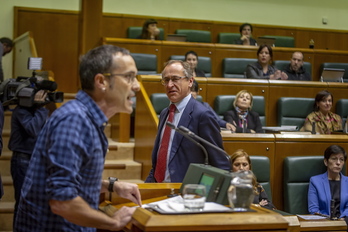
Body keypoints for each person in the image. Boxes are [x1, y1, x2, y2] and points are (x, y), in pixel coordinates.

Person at [14, 45, 142, 231]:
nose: (137, 86)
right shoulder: (74, 120)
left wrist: (110, 186)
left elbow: (70, 181)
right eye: (129, 77)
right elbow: (62, 201)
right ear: (101, 81)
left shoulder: (86, 118)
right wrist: (113, 223)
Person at [145, 60, 231, 183]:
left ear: (190, 81)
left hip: (186, 194)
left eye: (175, 79)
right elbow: (160, 160)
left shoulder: (202, 115)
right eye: (166, 80)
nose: (169, 85)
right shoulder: (165, 113)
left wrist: (204, 197)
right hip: (159, 187)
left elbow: (220, 164)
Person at [9, 89, 49, 226]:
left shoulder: (37, 111)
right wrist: (41, 108)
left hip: (36, 160)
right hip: (22, 160)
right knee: (22, 203)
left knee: (35, 203)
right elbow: (33, 129)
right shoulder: (21, 110)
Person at [308, 145, 348, 219]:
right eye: (334, 159)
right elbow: (313, 210)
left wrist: (341, 220)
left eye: (341, 159)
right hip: (324, 223)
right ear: (326, 162)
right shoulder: (315, 181)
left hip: (344, 223)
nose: (338, 163)